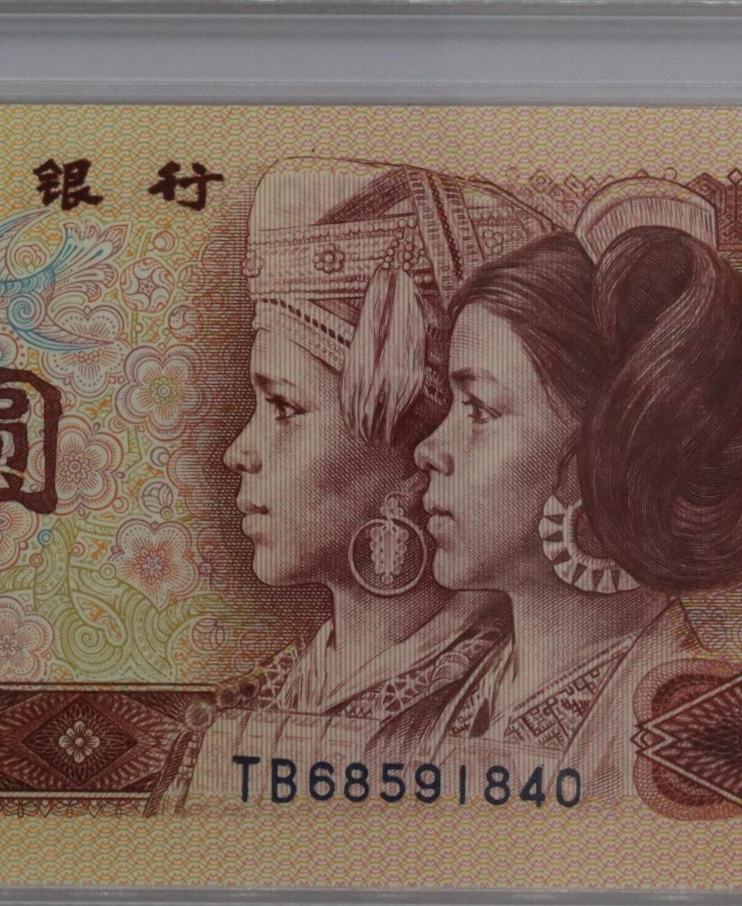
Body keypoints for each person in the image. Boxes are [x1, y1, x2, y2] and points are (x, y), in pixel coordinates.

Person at [395, 179, 742, 797]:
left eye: (479, 409)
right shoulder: (418, 720)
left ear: (609, 451)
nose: (428, 449)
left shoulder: (702, 741)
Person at [182, 159, 554, 794]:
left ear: (417, 450)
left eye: (284, 408)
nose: (240, 452)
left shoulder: (513, 716)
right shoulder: (255, 704)